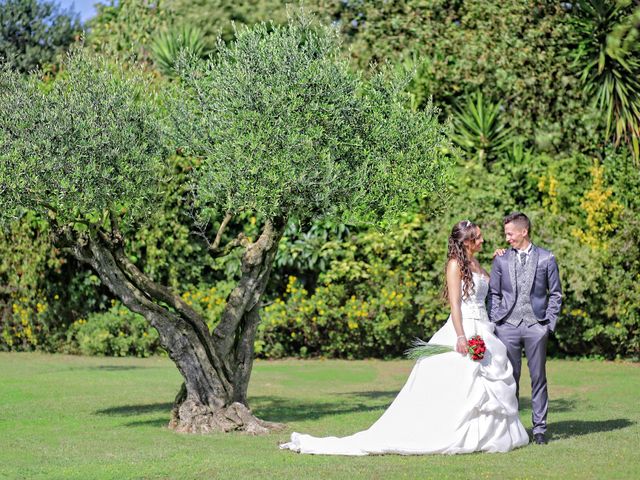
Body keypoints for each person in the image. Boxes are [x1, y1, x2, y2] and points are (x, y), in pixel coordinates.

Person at [280, 220, 529, 455]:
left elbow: (493, 286)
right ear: (466, 242)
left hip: (484, 325)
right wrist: (461, 336)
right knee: (465, 383)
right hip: (465, 326)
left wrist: (501, 258)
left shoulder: (475, 263)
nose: (483, 240)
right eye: (478, 237)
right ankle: (455, 432)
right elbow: (455, 304)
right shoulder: (455, 264)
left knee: (488, 382)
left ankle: (486, 437)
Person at [489, 212, 562, 445]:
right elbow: (494, 294)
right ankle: (513, 428)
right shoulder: (500, 259)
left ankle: (539, 429)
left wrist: (547, 326)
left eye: (510, 233)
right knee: (510, 378)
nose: (507, 238)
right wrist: (496, 323)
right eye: (506, 234)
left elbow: (556, 294)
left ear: (524, 231)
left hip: (536, 326)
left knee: (538, 378)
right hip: (507, 327)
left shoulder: (546, 258)